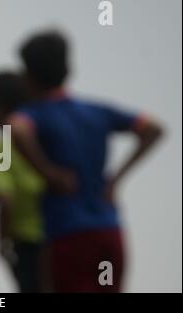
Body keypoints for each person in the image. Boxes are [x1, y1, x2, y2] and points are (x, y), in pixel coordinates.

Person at [9, 30, 164, 292]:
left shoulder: (35, 114)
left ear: (27, 77)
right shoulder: (96, 111)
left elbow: (16, 129)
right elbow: (152, 129)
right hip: (109, 232)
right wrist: (117, 177)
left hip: (67, 235)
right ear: (68, 68)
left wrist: (47, 172)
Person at [0, 72, 46, 292]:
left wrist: (2, 242)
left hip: (29, 243)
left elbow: (5, 199)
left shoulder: (1, 149)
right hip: (67, 235)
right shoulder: (50, 138)